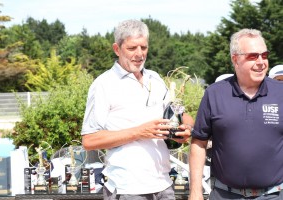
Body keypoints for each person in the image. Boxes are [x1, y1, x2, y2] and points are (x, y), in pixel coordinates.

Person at [81, 19, 193, 200]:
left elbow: (178, 114)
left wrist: (186, 128)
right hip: (128, 188)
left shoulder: (155, 78)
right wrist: (140, 132)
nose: (139, 54)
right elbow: (89, 140)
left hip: (164, 185)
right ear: (117, 49)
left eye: (144, 47)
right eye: (132, 48)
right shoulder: (103, 84)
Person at [189, 28, 283, 200]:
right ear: (235, 59)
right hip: (225, 195)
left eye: (264, 55)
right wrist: (195, 192)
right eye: (253, 56)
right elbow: (199, 143)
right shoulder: (215, 93)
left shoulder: (280, 93)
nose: (261, 61)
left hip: (274, 195)